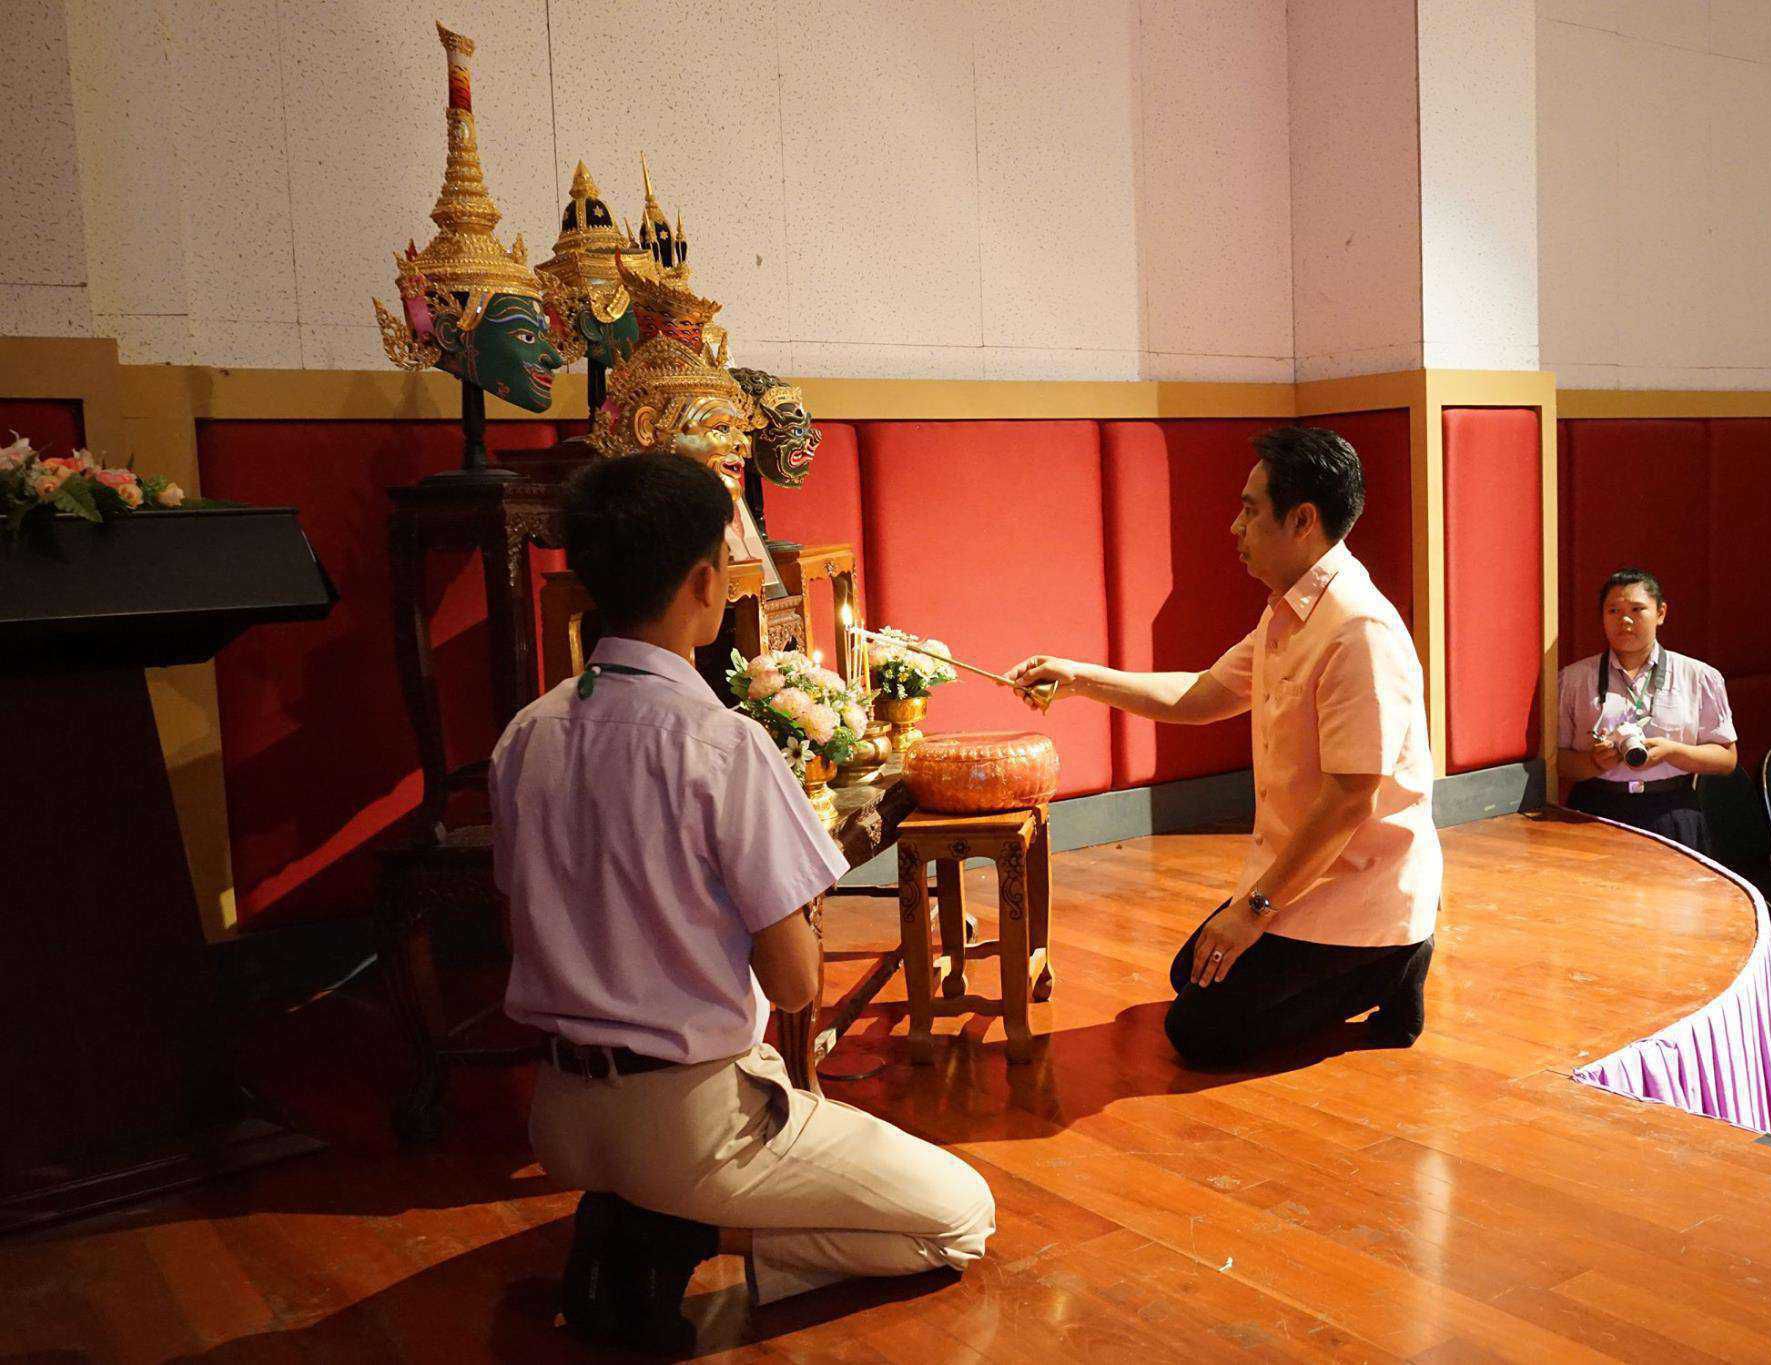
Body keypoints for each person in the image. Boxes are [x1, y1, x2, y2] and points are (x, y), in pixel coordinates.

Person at [491, 454, 994, 1353]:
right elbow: (796, 986)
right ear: (703, 581)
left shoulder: (526, 733)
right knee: (961, 1215)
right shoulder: (719, 743)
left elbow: (524, 918)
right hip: (687, 1126)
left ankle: (639, 1219)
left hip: (559, 1118)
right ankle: (683, 1231)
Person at [1005, 425, 1438, 1068]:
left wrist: (1252, 912)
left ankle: (1394, 964)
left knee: (1198, 1035)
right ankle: (1367, 964)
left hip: (1361, 889)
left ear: (1302, 520)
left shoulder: (1358, 630)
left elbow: (1351, 800)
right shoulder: (1291, 608)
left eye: (1250, 510)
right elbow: (1203, 694)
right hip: (1309, 876)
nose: (1235, 527)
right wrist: (1079, 678)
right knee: (1190, 973)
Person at [1556, 568, 1737, 851]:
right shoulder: (1573, 679)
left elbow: (1726, 759)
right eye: (1613, 611)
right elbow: (1556, 761)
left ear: (1661, 613)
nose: (1625, 620)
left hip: (1672, 810)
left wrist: (1672, 752)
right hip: (1594, 811)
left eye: (1637, 609)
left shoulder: (1699, 676)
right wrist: (1594, 762)